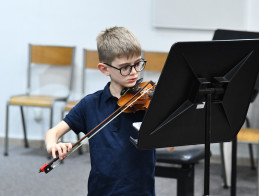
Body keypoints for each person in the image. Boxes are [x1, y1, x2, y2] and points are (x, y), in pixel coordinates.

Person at [45, 26, 156, 196]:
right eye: (125, 67)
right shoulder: (90, 104)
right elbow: (53, 132)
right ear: (104, 69)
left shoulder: (148, 103)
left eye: (137, 64)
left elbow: (170, 146)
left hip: (140, 191)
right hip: (101, 191)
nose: (134, 72)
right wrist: (54, 145)